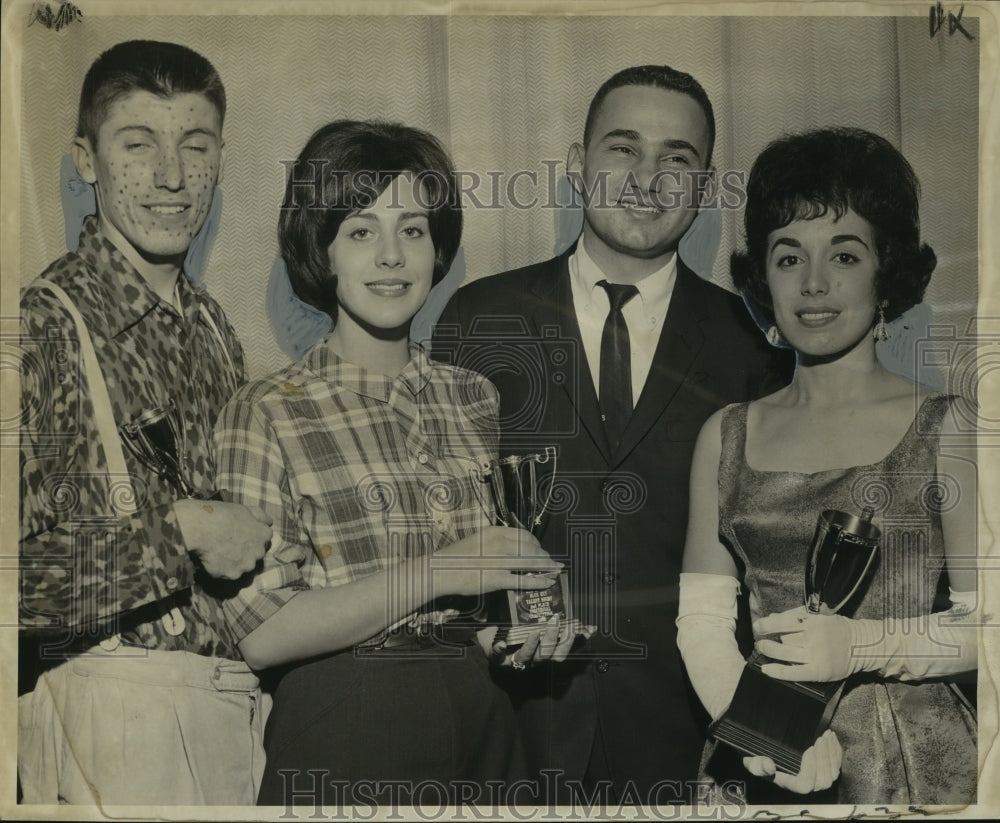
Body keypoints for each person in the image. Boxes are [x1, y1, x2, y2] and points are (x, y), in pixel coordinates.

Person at [432, 65, 792, 803]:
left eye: (677, 158)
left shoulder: (751, 349)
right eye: (623, 149)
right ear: (577, 165)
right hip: (509, 729)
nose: (647, 178)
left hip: (684, 741)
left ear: (704, 185)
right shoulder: (479, 318)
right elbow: (435, 528)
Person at [214, 120, 587, 807]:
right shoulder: (264, 409)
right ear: (321, 250)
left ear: (438, 246)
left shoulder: (470, 396)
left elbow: (463, 612)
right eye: (360, 230)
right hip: (343, 725)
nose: (391, 255)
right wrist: (443, 569)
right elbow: (261, 633)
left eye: (412, 229)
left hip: (483, 723)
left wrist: (509, 638)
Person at [677, 127, 978, 804]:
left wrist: (860, 647)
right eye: (788, 257)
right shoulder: (723, 435)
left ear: (886, 271)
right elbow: (701, 626)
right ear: (763, 276)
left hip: (914, 766)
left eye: (844, 254)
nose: (814, 283)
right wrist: (764, 741)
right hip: (759, 760)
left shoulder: (949, 427)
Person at [18, 40, 273, 805]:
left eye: (194, 146)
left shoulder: (213, 327)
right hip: (111, 724)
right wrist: (184, 527)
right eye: (138, 144)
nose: (171, 175)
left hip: (231, 712)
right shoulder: (42, 326)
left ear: (220, 160)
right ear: (85, 161)